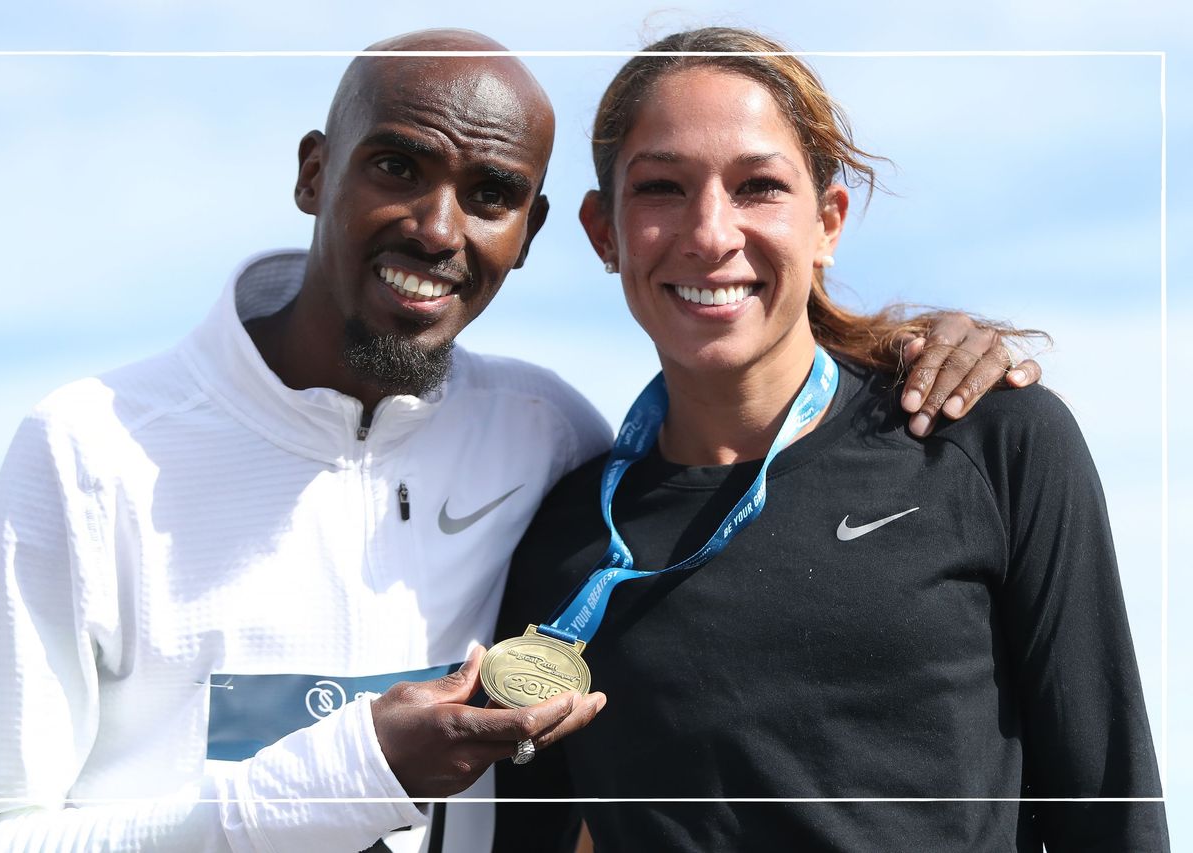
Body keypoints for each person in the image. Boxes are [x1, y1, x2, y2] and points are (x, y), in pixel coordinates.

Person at [0, 28, 1039, 853]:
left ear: (537, 233)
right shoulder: (89, 448)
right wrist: (347, 772)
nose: (437, 228)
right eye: (396, 166)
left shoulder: (545, 441)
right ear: (316, 171)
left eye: (491, 191)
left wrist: (911, 354)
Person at [493, 26, 1167, 853]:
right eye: (662, 187)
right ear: (605, 233)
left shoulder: (990, 443)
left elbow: (1112, 809)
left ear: (829, 221)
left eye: (758, 187)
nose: (710, 233)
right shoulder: (562, 544)